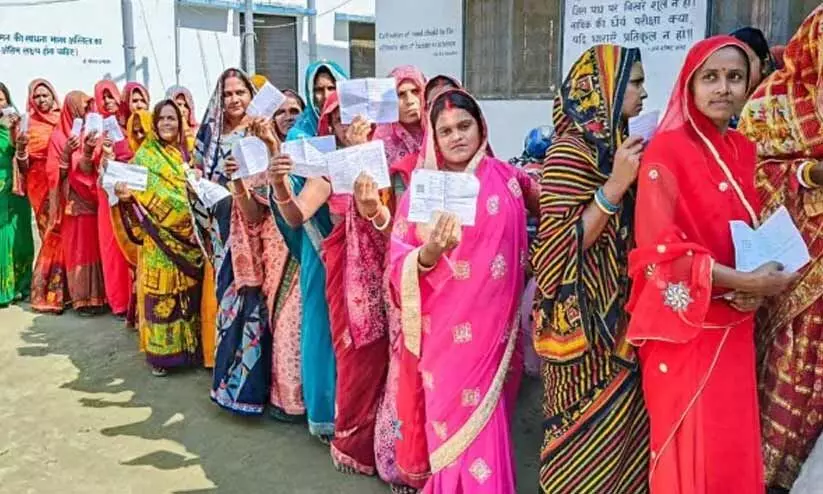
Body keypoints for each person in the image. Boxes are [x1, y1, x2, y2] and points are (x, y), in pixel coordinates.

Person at [626, 36, 796, 493]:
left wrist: (758, 283)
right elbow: (657, 249)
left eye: (735, 77)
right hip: (684, 327)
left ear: (750, 83)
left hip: (735, 320)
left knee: (728, 444)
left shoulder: (744, 149)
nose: (723, 88)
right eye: (711, 77)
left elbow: (744, 232)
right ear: (690, 84)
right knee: (689, 450)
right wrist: (745, 281)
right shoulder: (665, 150)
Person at [388, 88, 538, 493]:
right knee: (450, 432)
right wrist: (431, 252)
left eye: (464, 126)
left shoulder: (507, 178)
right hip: (444, 338)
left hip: (494, 336)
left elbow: (551, 205)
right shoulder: (424, 191)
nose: (456, 137)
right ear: (433, 138)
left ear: (480, 126)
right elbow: (397, 263)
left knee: (488, 427)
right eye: (445, 130)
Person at [530, 44, 650, 493]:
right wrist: (616, 185)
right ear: (602, 90)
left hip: (620, 313)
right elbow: (557, 248)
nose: (643, 91)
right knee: (580, 437)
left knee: (624, 433)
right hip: (581, 330)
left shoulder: (619, 145)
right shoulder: (568, 153)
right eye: (634, 82)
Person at [737, 7, 823, 491]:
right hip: (788, 277)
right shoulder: (774, 103)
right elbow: (748, 177)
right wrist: (809, 175)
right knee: (784, 371)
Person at [368, 65, 428, 493]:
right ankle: (397, 458)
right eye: (400, 94)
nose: (409, 101)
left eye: (415, 92)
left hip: (448, 273)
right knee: (404, 363)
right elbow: (380, 219)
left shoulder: (443, 139)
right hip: (404, 268)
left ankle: (435, 454)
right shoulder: (380, 148)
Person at [112, 100, 203, 376]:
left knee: (188, 293)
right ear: (155, 123)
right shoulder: (144, 158)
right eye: (162, 118)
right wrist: (124, 197)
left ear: (180, 122)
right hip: (158, 243)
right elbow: (135, 200)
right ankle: (162, 357)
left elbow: (196, 191)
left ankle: (190, 350)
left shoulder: (186, 155)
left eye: (172, 118)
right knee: (162, 294)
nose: (167, 123)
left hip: (189, 241)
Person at [47, 90, 107, 315]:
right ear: (71, 108)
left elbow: (93, 167)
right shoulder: (59, 137)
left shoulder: (91, 134)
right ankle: (81, 298)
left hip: (92, 199)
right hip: (72, 203)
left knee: (94, 247)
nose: (86, 109)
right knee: (78, 250)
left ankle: (99, 297)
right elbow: (53, 174)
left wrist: (90, 149)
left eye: (89, 105)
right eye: (83, 105)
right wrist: (66, 154)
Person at [16, 79, 61, 312]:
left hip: (62, 183)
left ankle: (66, 290)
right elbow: (22, 166)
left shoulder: (62, 120)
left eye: (45, 95)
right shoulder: (26, 124)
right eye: (37, 96)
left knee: (64, 234)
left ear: (53, 96)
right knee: (50, 234)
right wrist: (22, 150)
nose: (42, 100)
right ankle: (45, 291)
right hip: (39, 184)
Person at [93, 80, 132, 318]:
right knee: (112, 246)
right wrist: (102, 153)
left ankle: (134, 299)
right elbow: (86, 166)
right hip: (107, 192)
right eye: (103, 97)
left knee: (131, 242)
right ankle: (119, 301)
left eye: (111, 96)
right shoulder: (96, 130)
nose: (108, 102)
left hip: (132, 189)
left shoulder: (133, 124)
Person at [0, 83, 34, 307]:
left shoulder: (17, 123)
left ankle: (23, 286)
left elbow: (23, 156)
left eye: (1, 99)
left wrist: (15, 133)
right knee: (3, 239)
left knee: (21, 238)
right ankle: (5, 290)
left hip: (18, 190)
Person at [286, 60, 348, 141]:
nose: (326, 96)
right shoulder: (298, 134)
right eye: (319, 90)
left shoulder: (358, 125)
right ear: (311, 94)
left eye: (331, 88)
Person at [165, 85, 197, 150]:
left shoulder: (199, 133)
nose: (182, 110)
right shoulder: (161, 132)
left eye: (186, 106)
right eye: (179, 104)